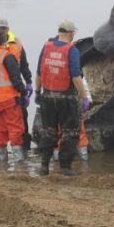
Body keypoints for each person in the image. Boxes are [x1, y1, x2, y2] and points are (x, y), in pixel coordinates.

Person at [34, 20, 89, 176]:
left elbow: (39, 73)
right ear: (71, 33)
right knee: (70, 132)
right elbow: (76, 77)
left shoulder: (46, 47)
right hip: (66, 98)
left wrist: (38, 92)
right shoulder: (71, 50)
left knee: (48, 131)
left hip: (48, 96)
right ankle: (65, 167)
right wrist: (84, 97)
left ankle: (44, 166)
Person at [0, 18, 34, 150]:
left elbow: (23, 65)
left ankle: (18, 155)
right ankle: (18, 160)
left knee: (13, 125)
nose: (1, 30)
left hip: (5, 95)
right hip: (10, 95)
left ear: (8, 29)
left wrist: (28, 82)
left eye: (3, 27)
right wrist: (24, 92)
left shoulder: (16, 43)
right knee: (13, 127)